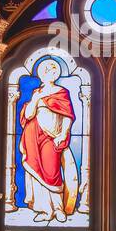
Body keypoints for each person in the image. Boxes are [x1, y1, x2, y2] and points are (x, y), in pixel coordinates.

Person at [18, 59, 78, 222]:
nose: (49, 73)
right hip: (33, 135)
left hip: (52, 136)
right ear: (40, 74)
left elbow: (67, 116)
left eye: (52, 70)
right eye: (45, 70)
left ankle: (58, 208)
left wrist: (63, 134)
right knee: (35, 169)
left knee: (52, 171)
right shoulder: (36, 92)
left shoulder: (61, 92)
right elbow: (29, 115)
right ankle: (44, 209)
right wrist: (36, 99)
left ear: (56, 73)